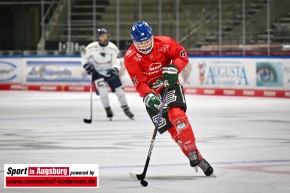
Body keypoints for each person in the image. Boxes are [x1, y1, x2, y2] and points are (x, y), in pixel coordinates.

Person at [124, 21, 214, 176]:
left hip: (169, 85)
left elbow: (182, 54)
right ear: (134, 42)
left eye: (147, 41)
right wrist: (148, 96)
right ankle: (198, 158)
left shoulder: (164, 43)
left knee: (177, 116)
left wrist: (174, 68)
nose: (145, 46)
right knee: (173, 130)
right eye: (141, 43)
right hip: (152, 93)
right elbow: (139, 82)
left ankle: (192, 151)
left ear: (151, 37)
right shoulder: (131, 57)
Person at [81, 28, 134, 120]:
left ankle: (126, 108)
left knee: (120, 92)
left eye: (107, 35)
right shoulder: (90, 47)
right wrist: (87, 66)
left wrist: (114, 69)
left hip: (110, 72)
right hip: (97, 73)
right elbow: (84, 58)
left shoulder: (113, 48)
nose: (106, 37)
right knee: (103, 93)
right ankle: (108, 109)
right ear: (98, 37)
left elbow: (117, 61)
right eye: (103, 36)